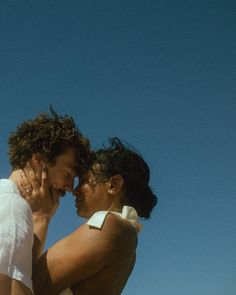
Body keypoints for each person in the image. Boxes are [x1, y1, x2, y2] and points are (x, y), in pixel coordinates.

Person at [31, 137, 157, 295]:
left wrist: (40, 217)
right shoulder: (127, 237)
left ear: (113, 185)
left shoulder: (109, 226)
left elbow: (26, 286)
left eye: (83, 181)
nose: (75, 190)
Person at [0, 108, 90, 295]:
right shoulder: (12, 206)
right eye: (67, 174)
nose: (69, 188)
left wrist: (41, 218)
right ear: (39, 161)